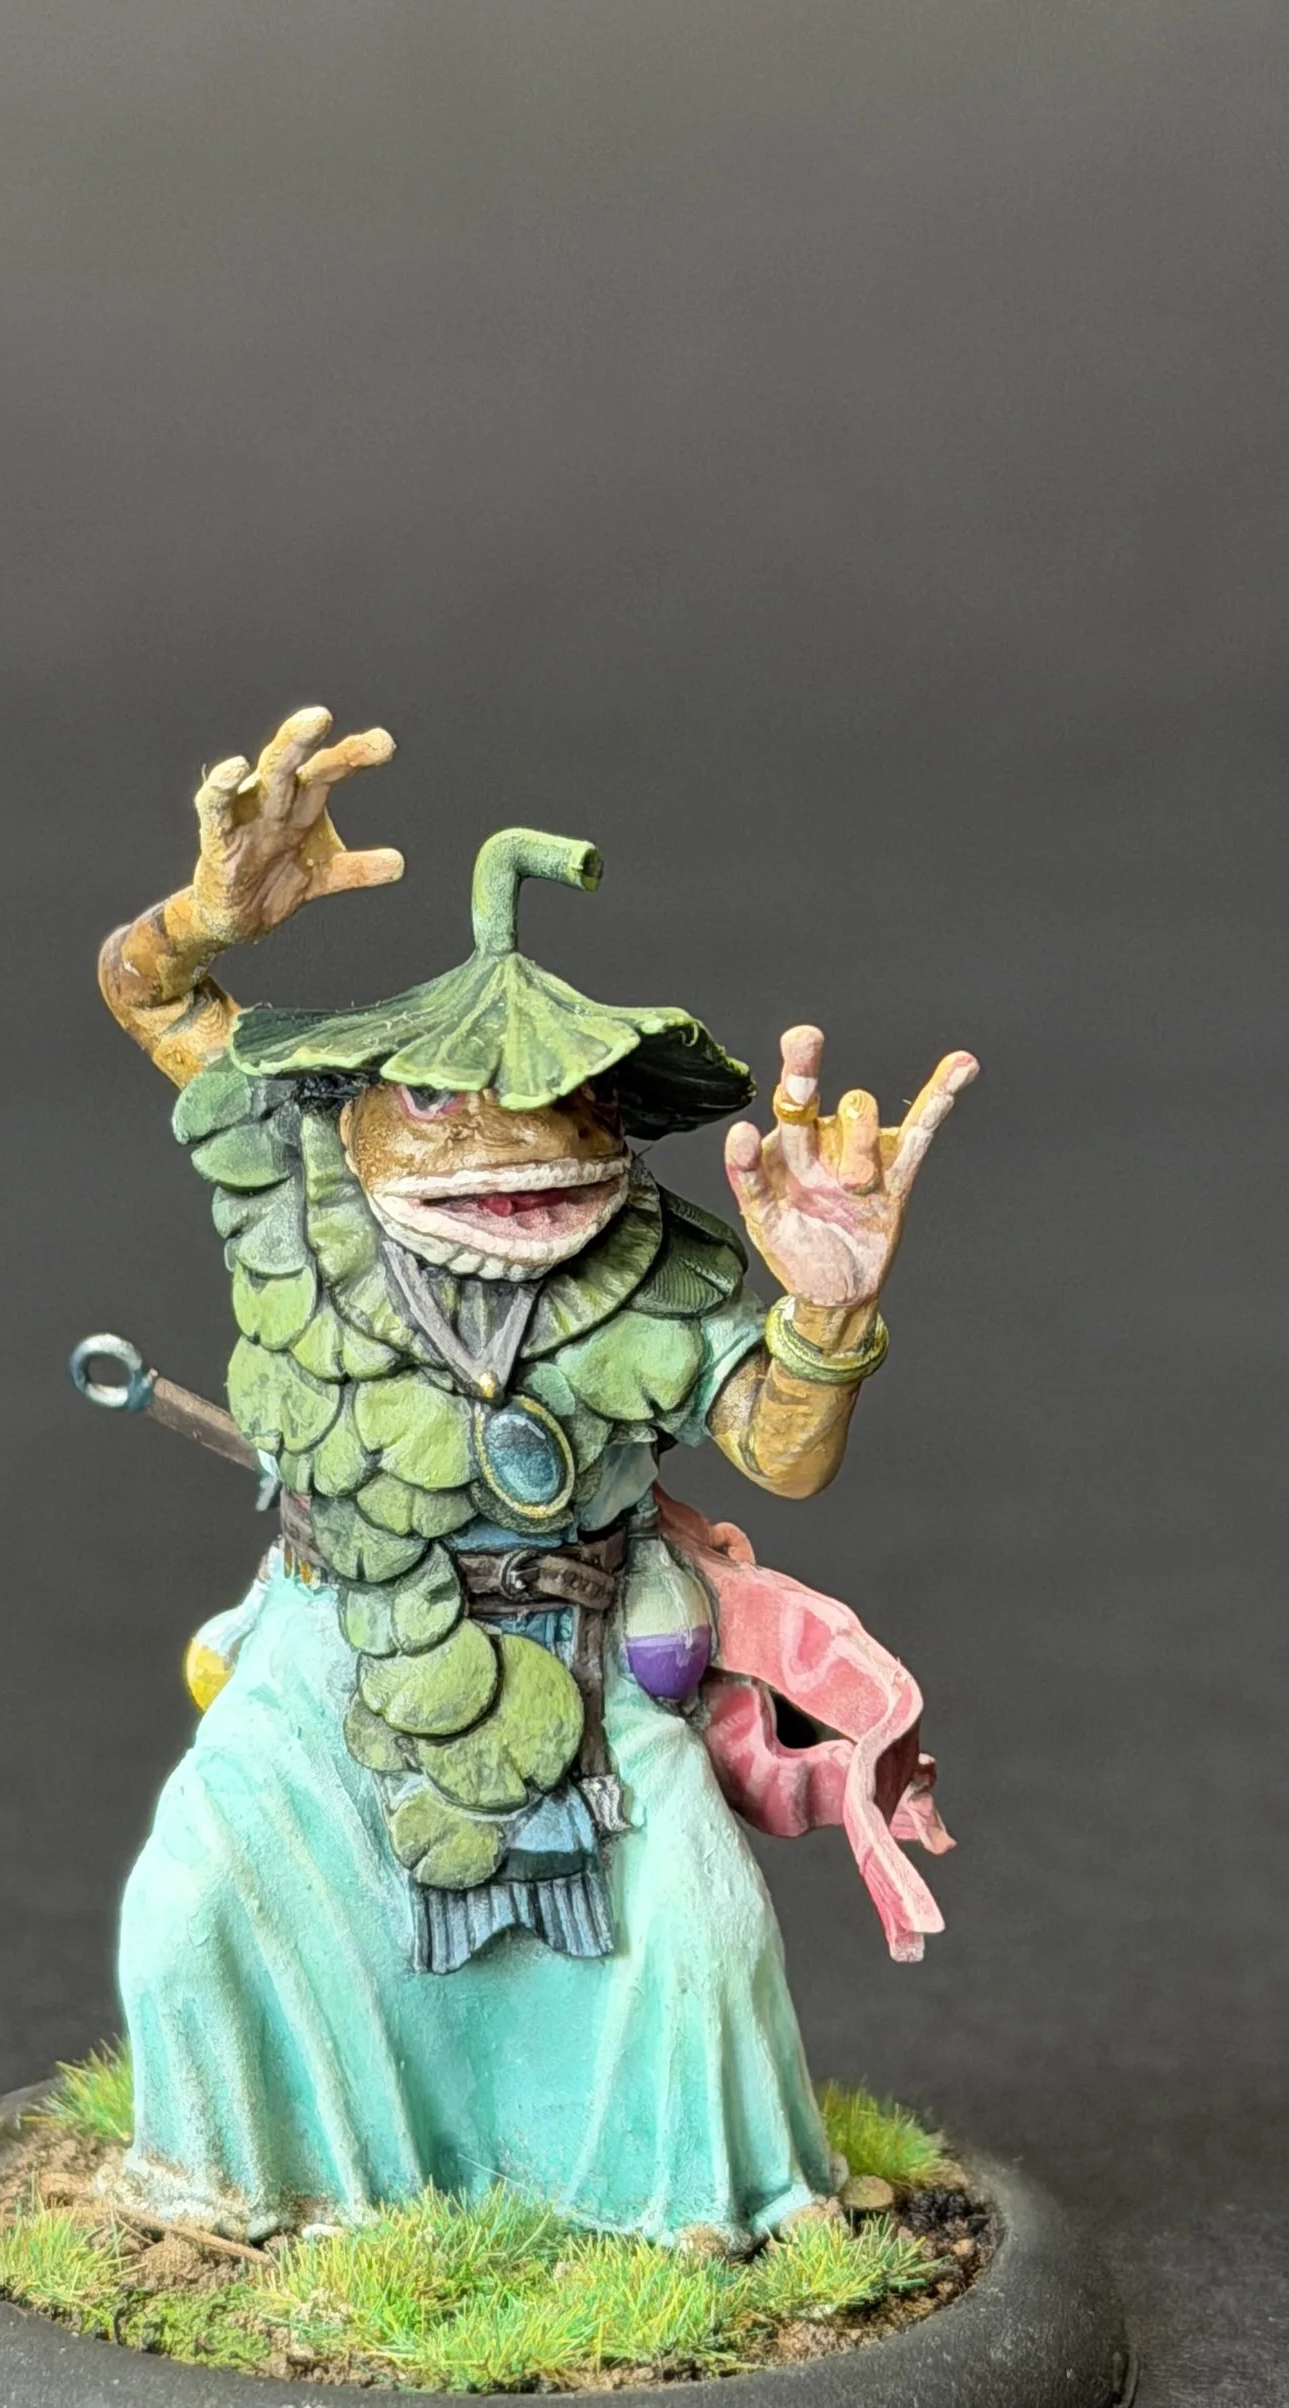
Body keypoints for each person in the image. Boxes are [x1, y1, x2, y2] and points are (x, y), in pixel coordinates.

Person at [97, 706, 974, 2248]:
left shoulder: (659, 1267)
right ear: (367, 1101)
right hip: (337, 1637)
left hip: (590, 1646)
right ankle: (243, 2194)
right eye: (444, 1102)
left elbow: (783, 1453)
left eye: (565, 1097)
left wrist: (829, 1316)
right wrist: (204, 916)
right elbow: (145, 990)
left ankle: (707, 2212)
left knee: (701, 1939)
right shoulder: (296, 1184)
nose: (510, 1147)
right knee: (193, 1909)